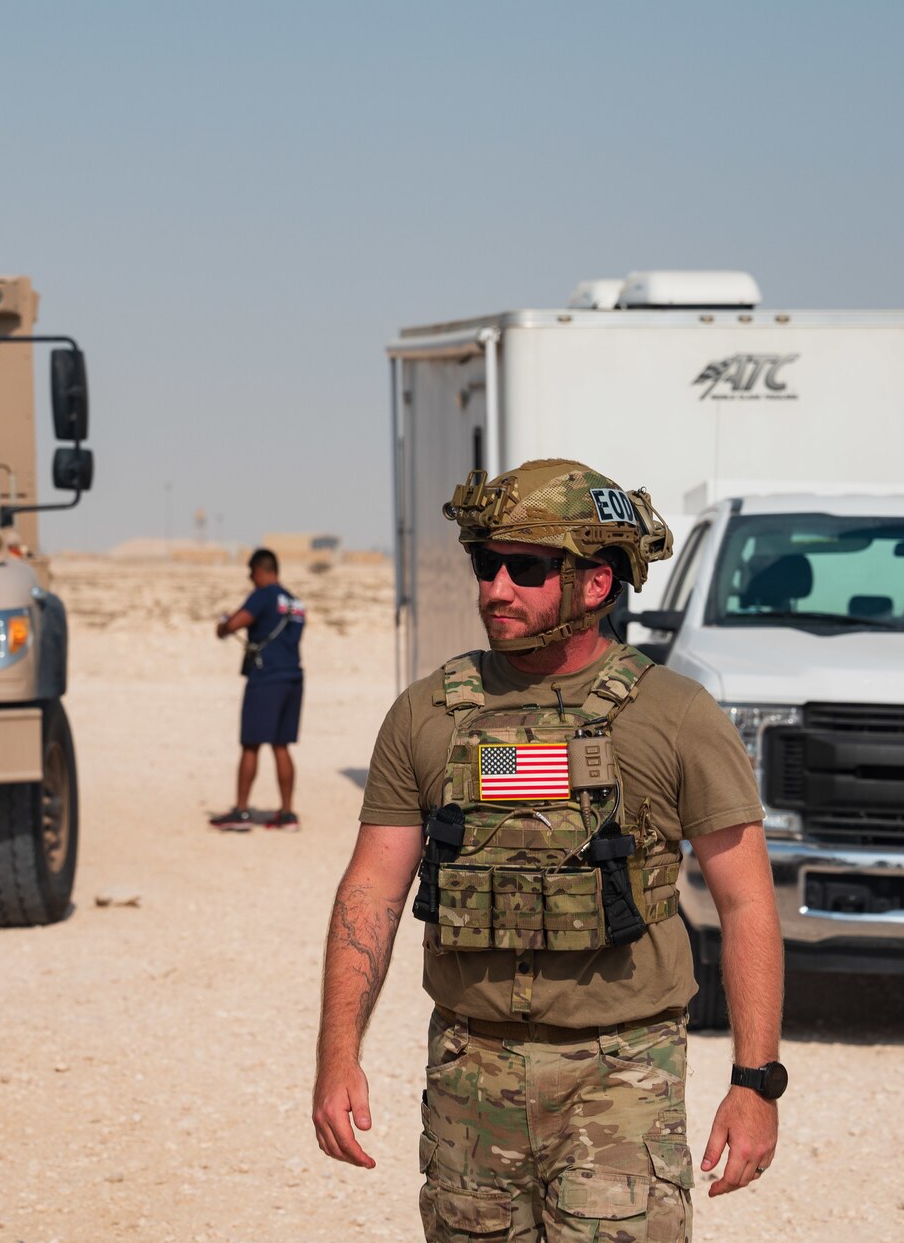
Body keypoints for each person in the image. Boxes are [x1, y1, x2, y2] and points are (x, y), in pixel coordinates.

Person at [312, 460, 784, 1241]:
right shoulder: (427, 714)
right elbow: (372, 891)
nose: (495, 587)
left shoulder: (676, 716)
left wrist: (756, 1082)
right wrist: (337, 1056)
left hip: (621, 1076)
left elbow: (746, 901)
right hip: (471, 1072)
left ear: (596, 584)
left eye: (524, 568)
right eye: (484, 563)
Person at [211, 548, 306, 832]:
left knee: (251, 744)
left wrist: (223, 625)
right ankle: (287, 813)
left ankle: (241, 812)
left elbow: (235, 624)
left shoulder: (263, 594)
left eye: (251, 574)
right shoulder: (295, 602)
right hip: (294, 677)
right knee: (281, 745)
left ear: (261, 570)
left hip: (266, 679)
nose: (251, 579)